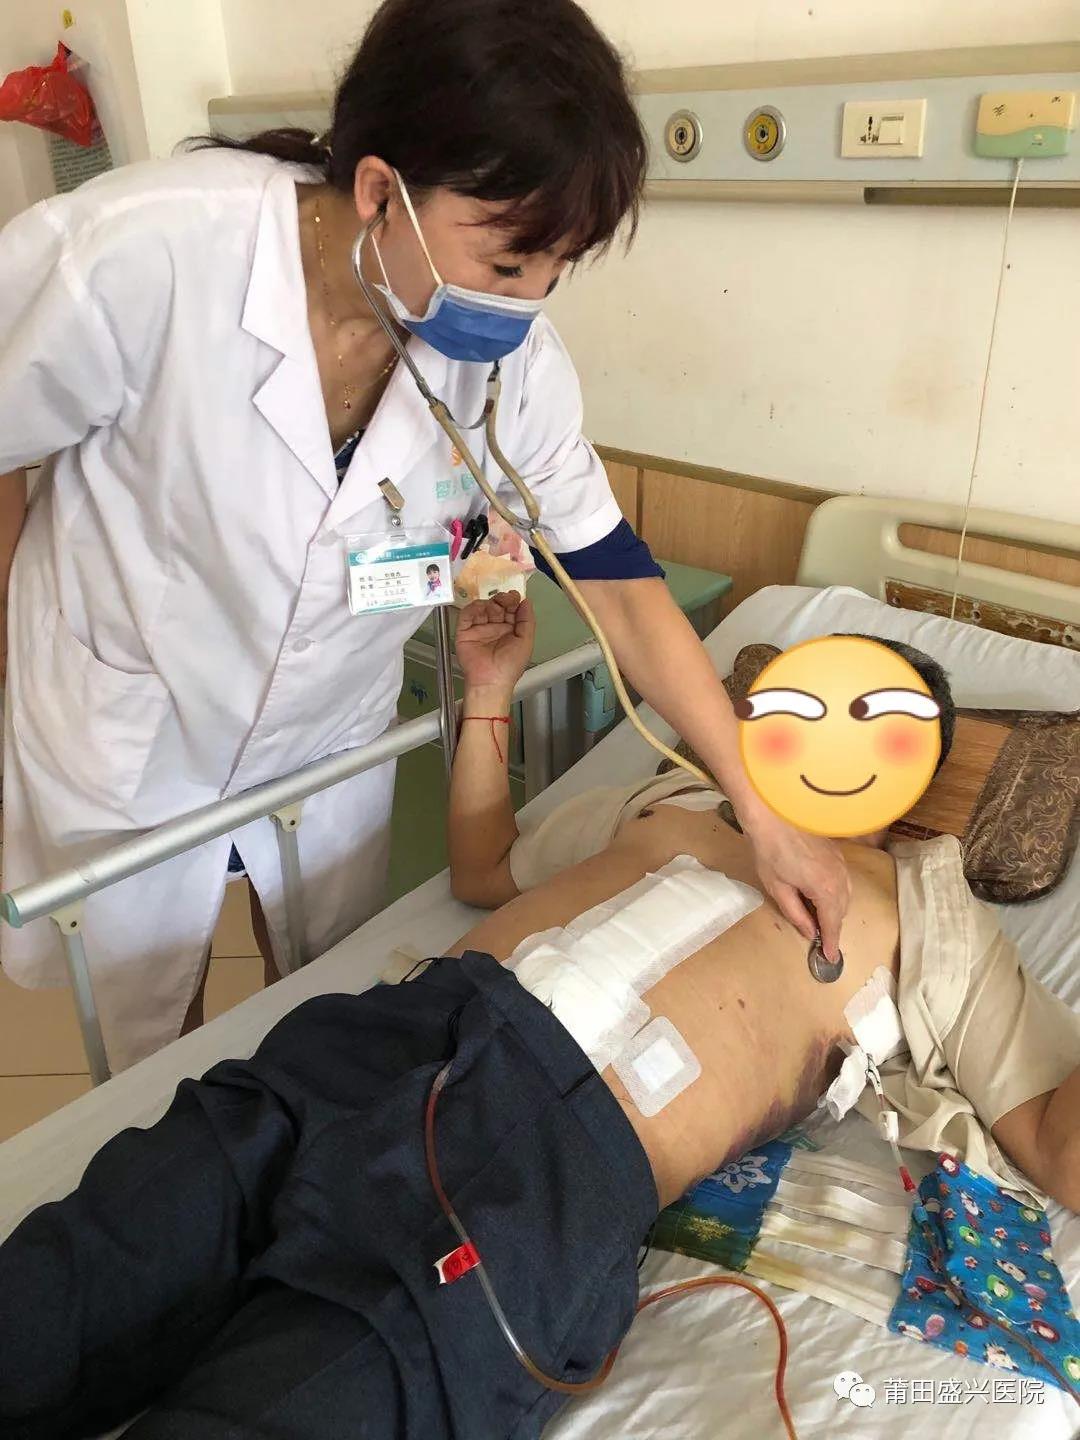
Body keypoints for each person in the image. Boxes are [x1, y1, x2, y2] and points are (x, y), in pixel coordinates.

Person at [0, 0, 847, 1075]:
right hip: (135, 721)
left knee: (317, 995)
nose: (527, 306)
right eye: (508, 263)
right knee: (145, 1039)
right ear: (377, 193)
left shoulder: (507, 365)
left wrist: (760, 810)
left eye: (557, 269)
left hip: (327, 731)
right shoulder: (142, 255)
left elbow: (618, 582)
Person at [0, 604, 1076, 1440]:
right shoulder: (665, 805)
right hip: (376, 1042)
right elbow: (484, 867)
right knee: (55, 1292)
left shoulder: (930, 911)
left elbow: (1055, 1147)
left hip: (542, 1164)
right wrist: (488, 690)